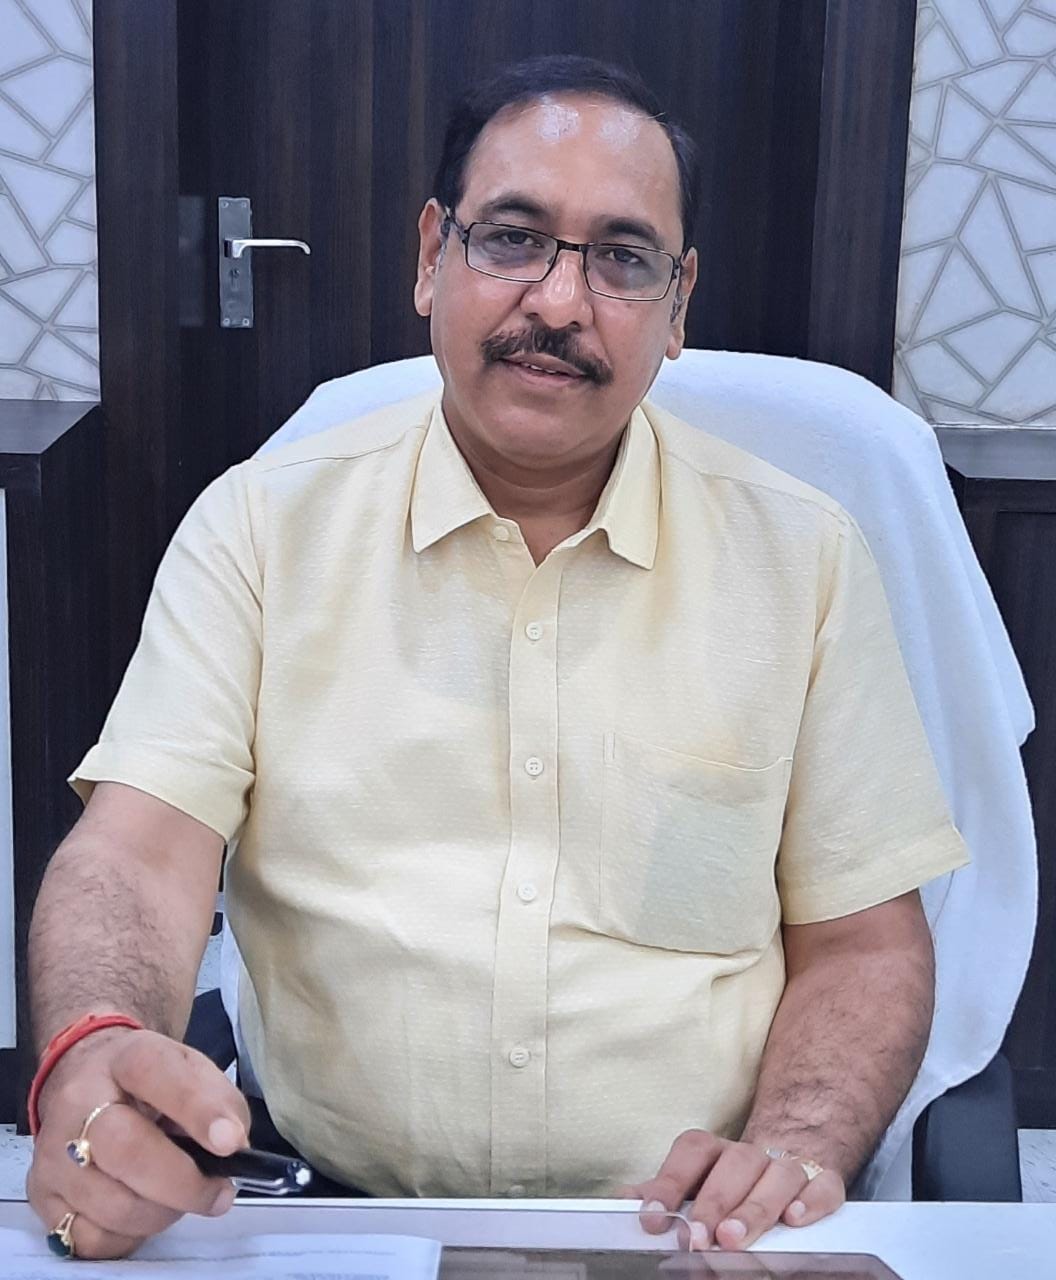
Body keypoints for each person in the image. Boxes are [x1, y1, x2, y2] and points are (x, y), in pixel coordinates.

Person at [26, 55, 968, 1262]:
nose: (561, 302)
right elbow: (137, 850)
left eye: (623, 258)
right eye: (513, 238)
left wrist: (791, 1147)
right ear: (433, 256)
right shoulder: (259, 528)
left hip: (693, 1233)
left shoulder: (806, 557)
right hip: (331, 1218)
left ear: (679, 305)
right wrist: (96, 1042)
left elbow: (866, 942)